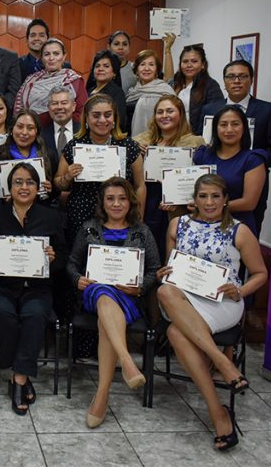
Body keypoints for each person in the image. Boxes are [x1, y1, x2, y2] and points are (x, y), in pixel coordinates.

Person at [157, 174, 267, 451]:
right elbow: (170, 269)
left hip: (223, 302)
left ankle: (218, 413)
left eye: (215, 196)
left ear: (226, 199)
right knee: (164, 291)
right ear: (193, 200)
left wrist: (240, 290)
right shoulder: (177, 225)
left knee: (174, 332)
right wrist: (163, 273)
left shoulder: (239, 231)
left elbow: (260, 274)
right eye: (203, 196)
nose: (209, 202)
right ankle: (221, 362)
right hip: (181, 298)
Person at [66, 177, 160, 428]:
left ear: (130, 201)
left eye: (122, 198)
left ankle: (102, 394)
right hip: (93, 293)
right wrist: (78, 279)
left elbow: (154, 269)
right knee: (103, 295)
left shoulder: (143, 231)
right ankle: (126, 361)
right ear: (102, 202)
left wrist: (139, 287)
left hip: (129, 297)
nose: (116, 204)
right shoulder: (88, 228)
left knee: (106, 318)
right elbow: (72, 263)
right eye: (110, 198)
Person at [0, 163, 66, 415]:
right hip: (0, 285)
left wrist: (54, 258)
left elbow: (64, 258)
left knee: (35, 315)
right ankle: (21, 370)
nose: (24, 187)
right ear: (9, 187)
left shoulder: (50, 217)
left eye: (29, 182)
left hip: (37, 287)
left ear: (38, 187)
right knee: (3, 315)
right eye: (18, 182)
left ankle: (19, 378)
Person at [201, 59, 271, 234]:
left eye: (242, 76)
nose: (236, 81)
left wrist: (254, 161)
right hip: (212, 184)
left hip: (249, 184)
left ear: (251, 80)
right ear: (224, 81)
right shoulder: (209, 109)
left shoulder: (267, 110)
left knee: (247, 237)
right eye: (231, 77)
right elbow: (199, 143)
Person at [53, 94, 145, 246]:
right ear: (87, 119)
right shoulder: (74, 146)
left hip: (121, 216)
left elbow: (140, 186)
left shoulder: (128, 146)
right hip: (81, 216)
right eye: (96, 115)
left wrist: (138, 221)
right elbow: (58, 184)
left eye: (108, 115)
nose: (102, 120)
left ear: (115, 119)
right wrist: (68, 177)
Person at [133, 95, 204, 256]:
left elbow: (200, 180)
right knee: (147, 247)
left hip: (178, 207)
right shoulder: (140, 140)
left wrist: (179, 201)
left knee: (172, 250)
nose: (164, 115)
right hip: (148, 199)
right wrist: (137, 153)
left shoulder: (195, 143)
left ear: (180, 114)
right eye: (160, 112)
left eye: (170, 111)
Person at [193, 105, 266, 237]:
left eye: (235, 124)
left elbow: (249, 203)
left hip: (237, 228)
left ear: (244, 128)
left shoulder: (253, 160)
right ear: (216, 128)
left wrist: (210, 207)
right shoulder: (203, 154)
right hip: (203, 225)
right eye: (223, 124)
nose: (229, 129)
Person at [14, 38, 87, 129]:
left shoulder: (74, 80)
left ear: (64, 56)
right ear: (42, 58)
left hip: (64, 131)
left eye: (56, 54)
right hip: (31, 131)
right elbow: (20, 109)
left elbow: (81, 113)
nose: (51, 58)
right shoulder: (30, 80)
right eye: (47, 54)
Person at [0, 109, 57, 199]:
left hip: (40, 209)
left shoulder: (48, 155)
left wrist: (51, 189)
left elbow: (57, 192)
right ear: (12, 129)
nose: (24, 132)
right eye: (20, 127)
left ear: (37, 132)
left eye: (30, 128)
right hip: (6, 210)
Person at [164, 42, 224, 134]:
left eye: (194, 61)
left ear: (203, 65)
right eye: (185, 61)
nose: (189, 65)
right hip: (171, 134)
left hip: (195, 138)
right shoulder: (175, 82)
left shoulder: (211, 85)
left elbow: (214, 117)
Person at [124, 49, 175, 137]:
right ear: (136, 70)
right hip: (134, 142)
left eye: (151, 65)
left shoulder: (165, 90)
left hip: (161, 141)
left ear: (157, 70)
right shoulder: (131, 92)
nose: (146, 68)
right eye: (142, 64)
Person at [86, 50, 127, 126]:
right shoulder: (89, 91)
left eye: (106, 66)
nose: (100, 69)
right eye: (97, 66)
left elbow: (119, 121)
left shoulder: (117, 93)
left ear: (114, 73)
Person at [47, 86, 82, 157]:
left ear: (73, 106)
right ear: (48, 108)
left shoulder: (83, 131)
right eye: (54, 103)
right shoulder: (41, 134)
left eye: (64, 103)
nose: (59, 107)